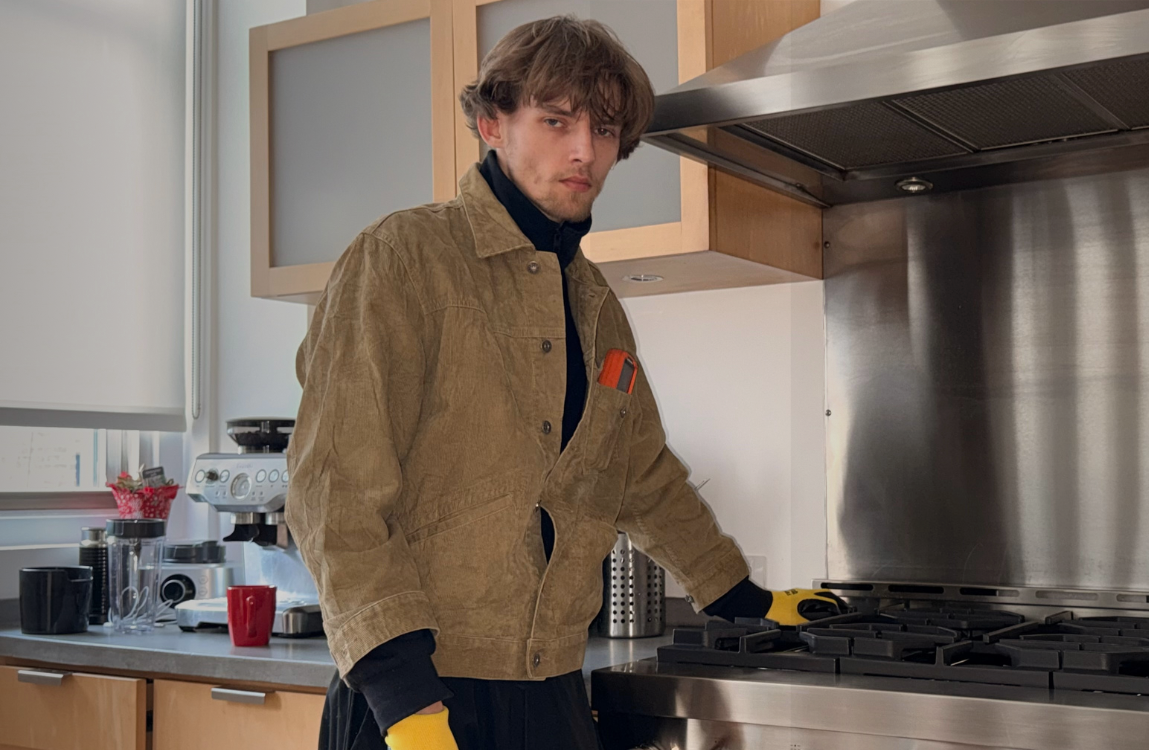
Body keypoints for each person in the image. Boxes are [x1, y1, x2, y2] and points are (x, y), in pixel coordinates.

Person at [285, 16, 845, 750]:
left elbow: (640, 475)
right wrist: (406, 702)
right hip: (418, 702)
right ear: (492, 122)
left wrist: (741, 595)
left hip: (550, 698)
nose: (585, 151)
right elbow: (335, 489)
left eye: (606, 132)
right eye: (556, 121)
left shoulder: (596, 306)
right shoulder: (402, 260)